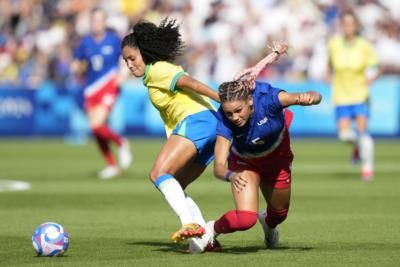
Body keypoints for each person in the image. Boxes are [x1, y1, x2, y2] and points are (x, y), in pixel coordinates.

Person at [121, 19, 285, 244]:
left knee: (158, 174)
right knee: (175, 185)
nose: (130, 64)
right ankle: (204, 239)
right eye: (126, 61)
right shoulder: (153, 75)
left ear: (145, 52)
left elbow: (191, 83)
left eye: (132, 58)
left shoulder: (157, 69)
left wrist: (223, 98)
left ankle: (189, 223)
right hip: (208, 127)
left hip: (197, 122)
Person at [189, 49, 322, 253]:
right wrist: (231, 175)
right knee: (245, 219)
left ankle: (268, 224)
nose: (234, 117)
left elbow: (315, 95)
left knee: (279, 214)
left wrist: (311, 97)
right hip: (245, 164)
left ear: (250, 102)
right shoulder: (225, 120)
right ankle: (210, 229)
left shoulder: (268, 99)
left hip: (278, 160)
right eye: (229, 113)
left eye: (238, 111)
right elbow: (218, 166)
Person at [71, 8, 133, 180]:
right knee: (95, 129)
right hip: (91, 89)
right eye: (94, 20)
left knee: (96, 124)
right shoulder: (86, 42)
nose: (97, 23)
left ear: (104, 22)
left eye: (100, 20)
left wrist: (123, 74)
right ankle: (112, 166)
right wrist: (75, 68)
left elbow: (126, 58)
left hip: (109, 85)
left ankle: (122, 143)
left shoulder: (113, 40)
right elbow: (78, 62)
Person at [327, 10, 379, 181]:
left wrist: (371, 78)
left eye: (351, 24)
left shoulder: (364, 45)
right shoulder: (334, 44)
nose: (348, 27)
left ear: (356, 26)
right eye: (345, 24)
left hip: (360, 95)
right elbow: (330, 63)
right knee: (344, 135)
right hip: (341, 95)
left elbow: (376, 66)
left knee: (363, 132)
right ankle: (358, 147)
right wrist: (328, 76)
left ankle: (367, 170)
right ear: (341, 26)